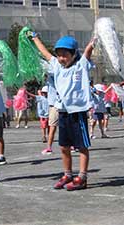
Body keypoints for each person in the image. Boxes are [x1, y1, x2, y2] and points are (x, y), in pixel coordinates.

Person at [28, 30, 95, 191]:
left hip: (77, 112)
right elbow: (44, 52)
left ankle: (82, 177)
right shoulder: (57, 66)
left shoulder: (81, 65)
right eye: (59, 55)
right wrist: (35, 37)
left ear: (73, 54)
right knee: (64, 146)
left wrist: (94, 42)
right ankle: (68, 175)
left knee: (82, 146)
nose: (61, 58)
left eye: (65, 54)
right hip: (63, 111)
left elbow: (88, 50)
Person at [42, 74, 59, 155]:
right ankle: (72, 145)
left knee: (52, 127)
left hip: (55, 105)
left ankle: (49, 148)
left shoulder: (53, 75)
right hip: (56, 104)